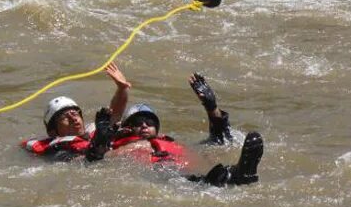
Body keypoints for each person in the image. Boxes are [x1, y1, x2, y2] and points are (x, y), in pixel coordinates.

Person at [108, 73, 264, 186]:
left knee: (219, 144)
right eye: (138, 122)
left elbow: (219, 140)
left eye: (149, 121)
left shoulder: (172, 143)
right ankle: (231, 177)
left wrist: (211, 108)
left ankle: (239, 173)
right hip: (161, 178)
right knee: (188, 180)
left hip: (185, 173)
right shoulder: (120, 146)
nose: (144, 125)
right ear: (128, 128)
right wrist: (121, 90)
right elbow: (112, 123)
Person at [21, 61, 130, 162]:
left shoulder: (96, 130)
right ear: (53, 132)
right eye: (65, 117)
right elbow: (85, 162)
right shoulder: (57, 149)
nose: (73, 118)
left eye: (75, 114)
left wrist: (122, 89)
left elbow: (115, 113)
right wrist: (99, 142)